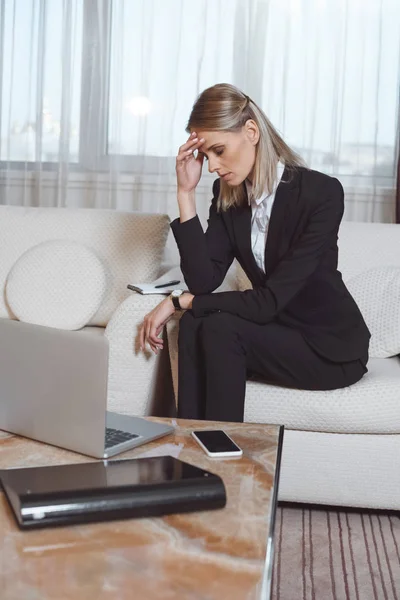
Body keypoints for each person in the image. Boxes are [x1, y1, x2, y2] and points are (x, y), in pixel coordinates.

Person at [139, 83, 370, 423]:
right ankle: (188, 449)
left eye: (219, 150)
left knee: (216, 326)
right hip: (276, 333)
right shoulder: (228, 193)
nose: (213, 166)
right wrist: (185, 194)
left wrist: (177, 300)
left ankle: (223, 455)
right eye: (206, 157)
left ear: (251, 131)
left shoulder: (321, 193)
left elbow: (269, 301)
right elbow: (203, 281)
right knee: (193, 325)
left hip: (328, 348)